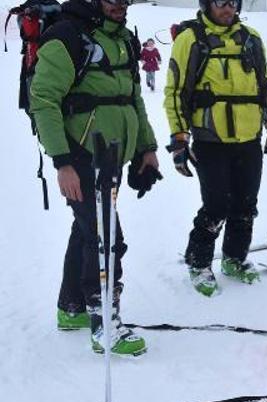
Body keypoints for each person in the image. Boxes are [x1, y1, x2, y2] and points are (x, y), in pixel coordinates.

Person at [30, 0, 161, 356]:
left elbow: (133, 97)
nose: (119, 5)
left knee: (89, 229)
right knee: (105, 237)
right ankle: (104, 322)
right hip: (80, 155)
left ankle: (71, 306)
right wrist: (62, 162)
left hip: (112, 154)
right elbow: (43, 100)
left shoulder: (122, 40)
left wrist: (146, 148)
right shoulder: (67, 39)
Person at [164, 0, 267, 297]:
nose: (227, 7)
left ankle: (234, 258)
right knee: (216, 205)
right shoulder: (191, 39)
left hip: (248, 138)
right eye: (220, 1)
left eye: (233, 1)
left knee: (245, 203)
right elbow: (176, 91)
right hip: (210, 139)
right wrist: (180, 138)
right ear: (207, 4)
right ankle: (199, 262)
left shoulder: (251, 39)